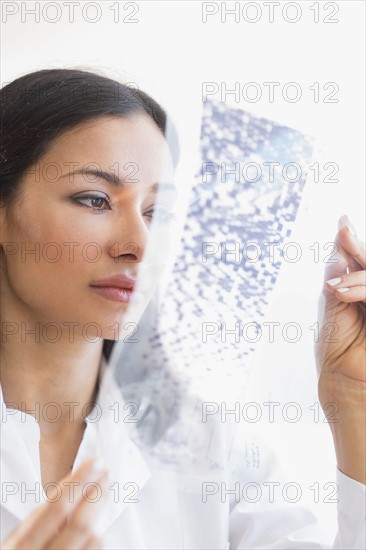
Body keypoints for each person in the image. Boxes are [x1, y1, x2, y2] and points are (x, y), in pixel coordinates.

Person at [0, 68, 365, 549]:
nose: (139, 245)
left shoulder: (208, 442)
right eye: (95, 200)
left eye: (157, 213)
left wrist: (353, 403)